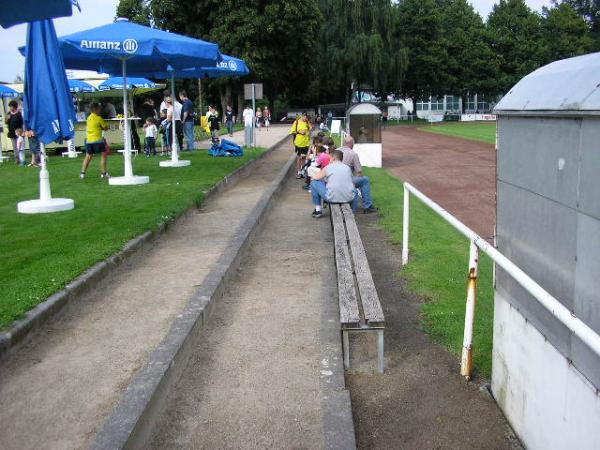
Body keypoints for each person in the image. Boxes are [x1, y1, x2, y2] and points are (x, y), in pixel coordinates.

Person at [309, 149, 357, 218]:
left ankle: (318, 210)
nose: (329, 160)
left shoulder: (328, 167)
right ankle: (352, 211)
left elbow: (315, 178)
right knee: (353, 189)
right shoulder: (347, 168)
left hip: (332, 198)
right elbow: (351, 183)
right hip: (348, 198)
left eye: (330, 158)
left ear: (333, 158)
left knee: (314, 183)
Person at [339, 135, 377, 213]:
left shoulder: (336, 151)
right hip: (345, 181)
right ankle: (368, 206)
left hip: (334, 180)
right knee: (365, 180)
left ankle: (367, 205)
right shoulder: (353, 154)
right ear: (351, 144)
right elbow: (359, 172)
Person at [80, 102, 109, 179]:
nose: (100, 110)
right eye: (99, 108)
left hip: (89, 141)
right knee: (103, 155)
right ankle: (103, 173)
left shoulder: (88, 118)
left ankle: (82, 173)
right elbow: (105, 128)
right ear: (95, 109)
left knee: (88, 156)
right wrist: (102, 128)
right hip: (98, 140)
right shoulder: (99, 118)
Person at [290, 112, 310, 179]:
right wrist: (299, 132)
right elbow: (292, 131)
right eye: (305, 117)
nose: (306, 119)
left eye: (307, 118)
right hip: (298, 142)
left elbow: (310, 129)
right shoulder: (296, 122)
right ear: (302, 116)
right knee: (299, 157)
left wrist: (307, 131)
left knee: (304, 157)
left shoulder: (307, 122)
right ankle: (299, 171)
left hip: (306, 142)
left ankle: (303, 171)